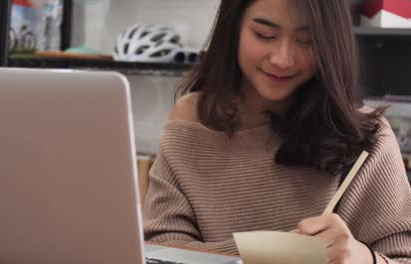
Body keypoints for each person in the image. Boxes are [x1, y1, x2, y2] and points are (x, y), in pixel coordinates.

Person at [143, 0, 411, 263]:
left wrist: (364, 259)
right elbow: (161, 249)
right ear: (232, 28)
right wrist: (274, 253)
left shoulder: (366, 136)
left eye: (307, 40)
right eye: (264, 35)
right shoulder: (191, 122)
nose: (283, 59)